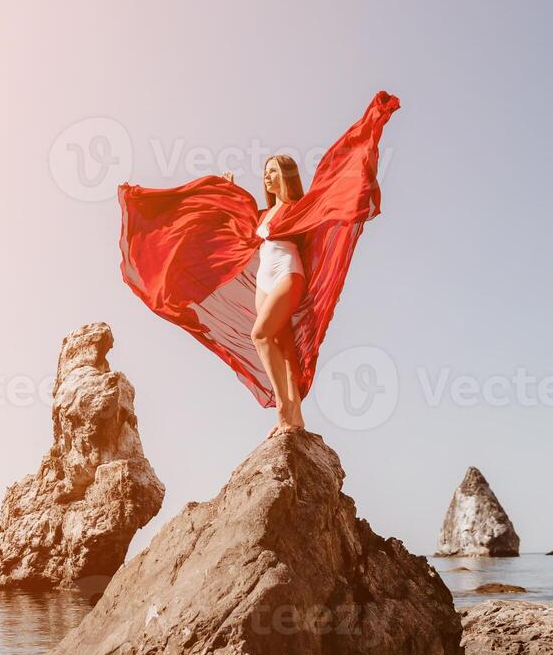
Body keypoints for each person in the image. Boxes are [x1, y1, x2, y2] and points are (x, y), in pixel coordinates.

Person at [118, 92, 399, 437]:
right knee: (279, 345)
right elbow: (232, 227)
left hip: (288, 274)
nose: (266, 178)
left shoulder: (299, 207)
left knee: (259, 333)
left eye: (272, 172)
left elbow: (333, 187)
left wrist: (373, 120)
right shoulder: (263, 215)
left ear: (285, 175)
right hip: (264, 281)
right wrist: (226, 193)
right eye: (264, 173)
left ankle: (284, 408)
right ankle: (293, 417)